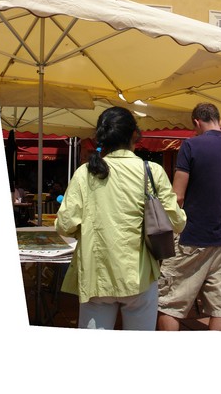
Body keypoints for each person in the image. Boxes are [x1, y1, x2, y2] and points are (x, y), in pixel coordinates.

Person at [56, 107, 186, 330]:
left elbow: (65, 226)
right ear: (134, 134)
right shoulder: (152, 171)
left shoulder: (84, 173)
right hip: (140, 276)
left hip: (97, 277)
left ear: (101, 137)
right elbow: (178, 222)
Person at [157, 103, 221, 332]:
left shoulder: (190, 146)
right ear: (219, 120)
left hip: (191, 237)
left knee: (171, 303)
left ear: (197, 122)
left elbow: (177, 197)